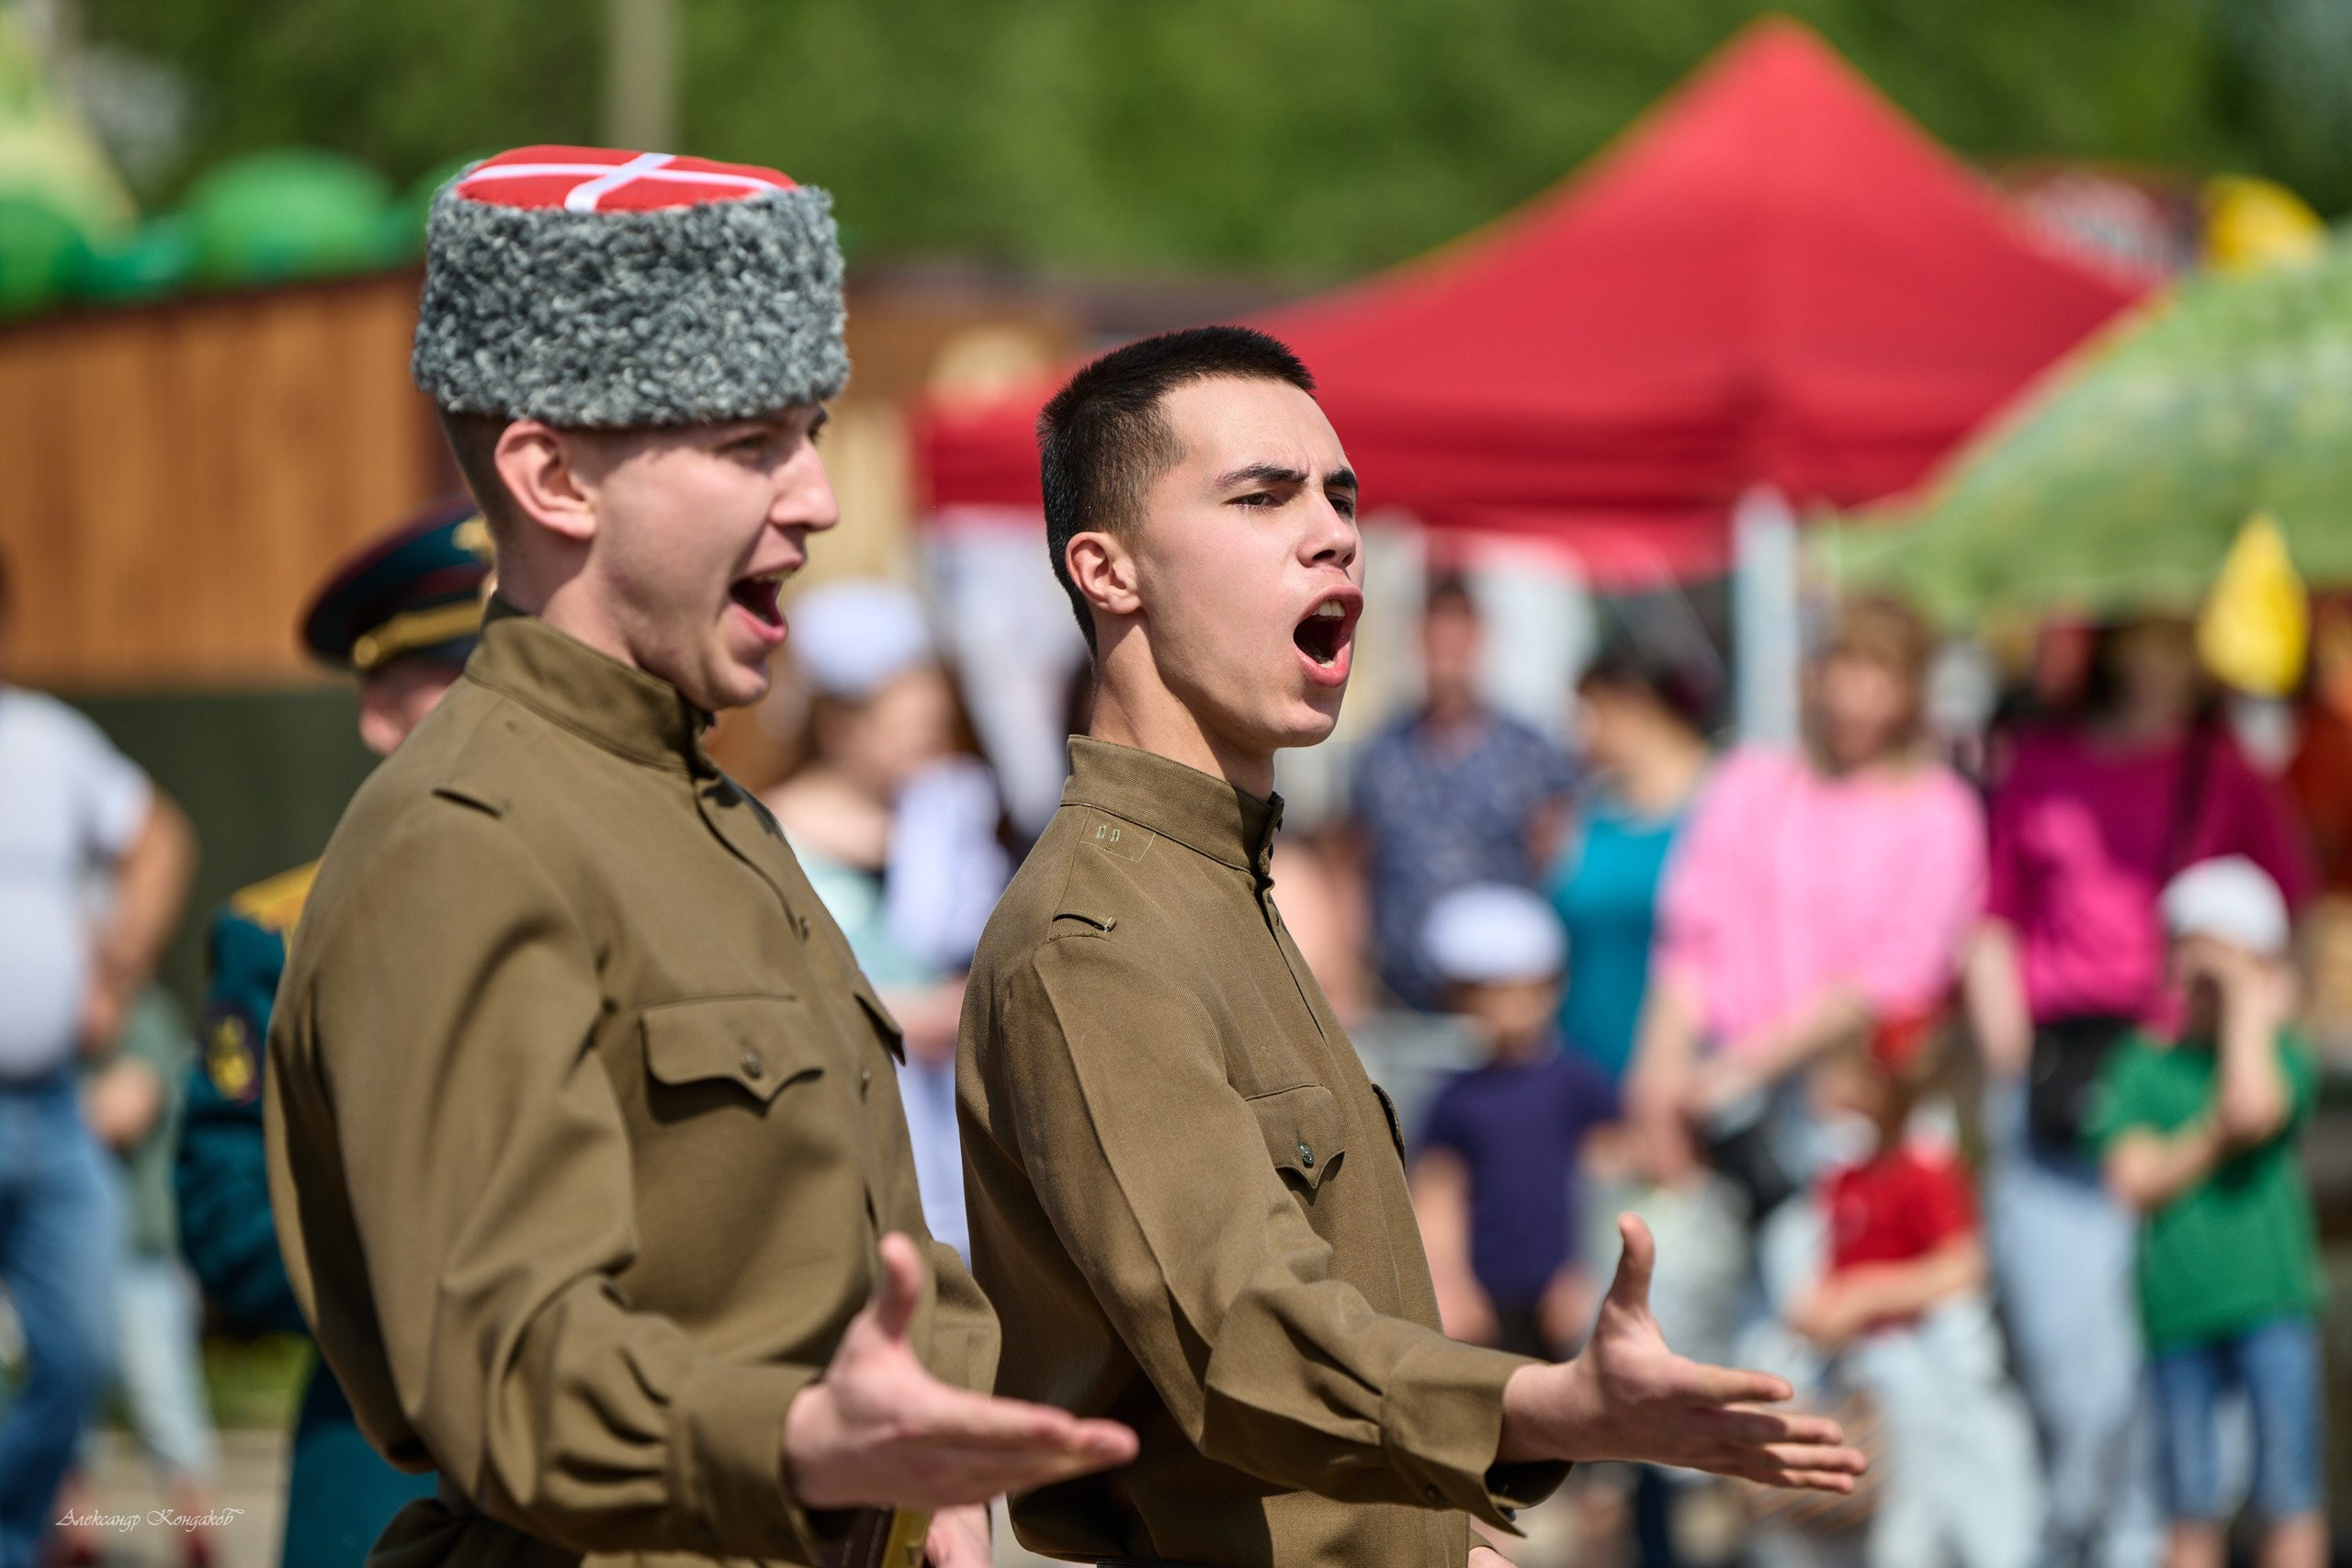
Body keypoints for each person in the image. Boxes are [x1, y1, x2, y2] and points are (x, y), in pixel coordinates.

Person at [263, 145, 1132, 1568]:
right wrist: (806, 1442)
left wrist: (944, 1483)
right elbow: (507, 1366)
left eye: (812, 431)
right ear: (554, 476)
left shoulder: (702, 806)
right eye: (751, 445)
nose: (818, 497)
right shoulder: (465, 840)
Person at [959, 325, 1864, 1568]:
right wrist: (1541, 1402)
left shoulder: (1223, 880)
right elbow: (1247, 1339)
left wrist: (1442, 1525)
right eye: (1260, 495)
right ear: (1107, 571)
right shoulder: (1095, 938)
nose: (1331, 530)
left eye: (1340, 495)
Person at [175, 496, 492, 1566]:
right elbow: (230, 1229)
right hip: (385, 1457)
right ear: (377, 710)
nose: (501, 708)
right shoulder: (281, 932)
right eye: (458, 677)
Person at [1969, 617, 2312, 1568]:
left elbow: (2280, 937)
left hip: (2183, 1068)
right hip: (2063, 1083)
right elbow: (1994, 918)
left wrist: (2241, 1048)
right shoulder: (2040, 762)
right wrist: (2007, 1053)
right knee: (2080, 1377)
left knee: (2200, 1398)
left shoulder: (2226, 767)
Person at [1628, 594, 1984, 1224]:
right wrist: (1659, 1072)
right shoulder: (1751, 781)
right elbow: (1690, 937)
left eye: (1879, 673)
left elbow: (1897, 973)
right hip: (1725, 1106)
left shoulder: (1938, 809)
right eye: (1844, 666)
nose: (1855, 694)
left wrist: (1748, 1065)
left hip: (1863, 1107)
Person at [0, 545, 196, 1568]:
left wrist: (115, 967)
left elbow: (157, 836)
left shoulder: (45, 742)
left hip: (49, 1108)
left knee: (79, 1352)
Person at [763, 578, 1011, 1260]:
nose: (924, 747)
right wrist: (896, 1011)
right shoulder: (773, 831)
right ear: (841, 727)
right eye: (905, 728)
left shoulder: (946, 817)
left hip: (950, 1128)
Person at [2088, 858, 2325, 1568]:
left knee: (2290, 1492)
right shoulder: (2142, 1064)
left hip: (2273, 1299)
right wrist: (2213, 1135)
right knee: (2188, 1502)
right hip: (2177, 1311)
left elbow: (2256, 1102)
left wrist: (2249, 1001)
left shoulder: (2282, 1052)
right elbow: (2133, 1179)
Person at [1758, 1018, 2041, 1568]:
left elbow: (1962, 1267)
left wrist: (1866, 1295)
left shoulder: (1923, 1172)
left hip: (1926, 1387)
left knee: (1943, 1528)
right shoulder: (1843, 1178)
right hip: (1863, 1391)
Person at [1350, 573, 1577, 1011]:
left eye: (1457, 641)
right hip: (1400, 997)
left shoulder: (1528, 749)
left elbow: (1555, 857)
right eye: (1436, 641)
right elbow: (1355, 863)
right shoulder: (1381, 751)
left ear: (1479, 640)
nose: (1446, 657)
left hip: (1503, 1000)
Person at [1409, 883, 1617, 1361]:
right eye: (1478, 992)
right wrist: (1449, 1283)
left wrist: (1588, 1270)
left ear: (1548, 988)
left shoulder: (1577, 1082)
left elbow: (1606, 1182)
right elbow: (1440, 1195)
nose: (1496, 1006)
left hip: (1566, 1295)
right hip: (1485, 1303)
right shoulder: (1455, 1099)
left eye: (1510, 989)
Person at [1546, 638, 1716, 1086]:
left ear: (1630, 704)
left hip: (1691, 1079)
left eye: (1588, 713)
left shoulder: (1722, 805)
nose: (1578, 733)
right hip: (1584, 1077)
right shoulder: (1587, 813)